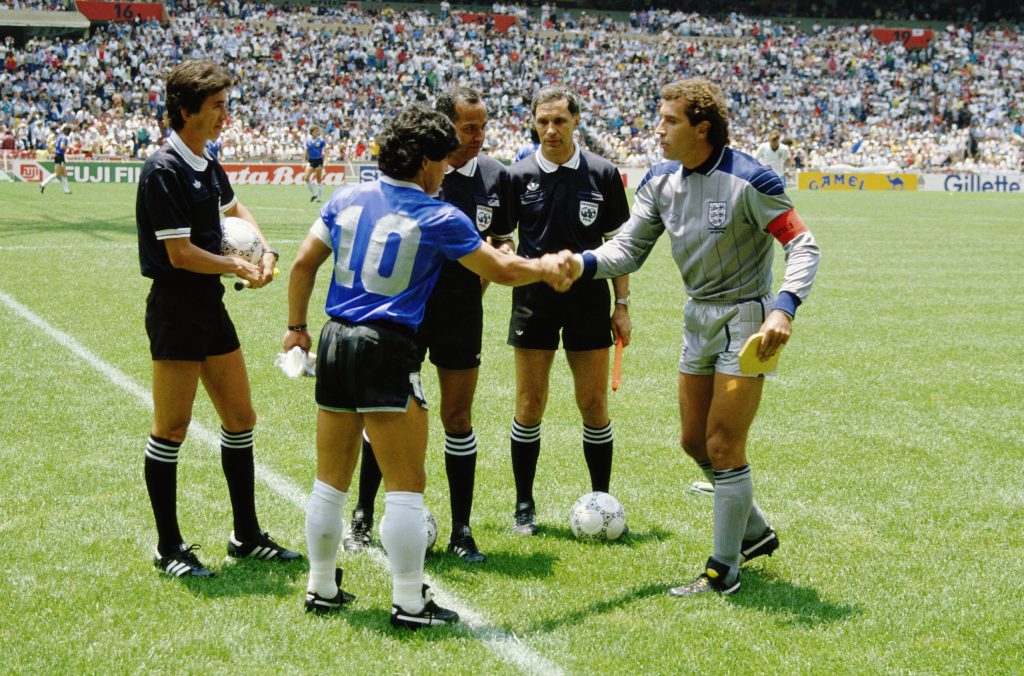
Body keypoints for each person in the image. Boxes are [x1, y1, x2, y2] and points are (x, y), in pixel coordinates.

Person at [284, 103, 572, 628]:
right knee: (407, 483)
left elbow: (303, 263)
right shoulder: (437, 214)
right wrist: (544, 267)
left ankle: (321, 586)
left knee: (330, 480)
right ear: (423, 162)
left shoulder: (347, 198)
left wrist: (295, 326)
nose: (445, 170)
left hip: (331, 339)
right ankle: (410, 603)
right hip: (386, 345)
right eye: (441, 160)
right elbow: (500, 267)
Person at [567, 78, 820, 596]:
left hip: (748, 319)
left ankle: (723, 570)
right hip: (696, 317)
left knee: (724, 443)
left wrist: (784, 309)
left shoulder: (752, 179)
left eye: (670, 122)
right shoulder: (660, 181)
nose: (658, 130)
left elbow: (804, 245)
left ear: (701, 128)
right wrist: (578, 263)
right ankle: (754, 531)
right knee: (693, 440)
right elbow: (627, 251)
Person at [135, 60, 300, 578]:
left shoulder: (207, 161)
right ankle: (168, 547)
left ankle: (245, 535)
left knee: (240, 418)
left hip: (210, 305)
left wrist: (267, 249)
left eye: (226, 105)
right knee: (173, 427)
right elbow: (181, 254)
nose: (226, 115)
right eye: (217, 107)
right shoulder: (164, 168)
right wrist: (237, 264)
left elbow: (238, 210)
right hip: (176, 308)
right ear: (186, 112)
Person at [344, 87, 514, 563]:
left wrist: (486, 277)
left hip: (461, 314)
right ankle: (361, 515)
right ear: (444, 127)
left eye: (484, 126)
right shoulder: (416, 176)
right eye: (469, 128)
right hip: (405, 316)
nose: (479, 137)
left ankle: (462, 530)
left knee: (458, 418)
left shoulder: (498, 177)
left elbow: (501, 243)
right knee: (387, 412)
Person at [505, 85, 631, 535]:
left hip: (589, 298)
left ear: (576, 122)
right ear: (534, 123)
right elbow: (503, 241)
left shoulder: (603, 173)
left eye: (560, 121)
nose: (551, 130)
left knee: (594, 402)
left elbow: (621, 246)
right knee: (530, 402)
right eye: (543, 121)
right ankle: (524, 505)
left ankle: (603, 499)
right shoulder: (516, 176)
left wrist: (624, 306)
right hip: (533, 301)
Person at [39, 125, 72, 195]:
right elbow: (62, 146)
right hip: (60, 156)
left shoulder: (59, 137)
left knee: (64, 172)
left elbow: (54, 144)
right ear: (66, 131)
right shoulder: (64, 138)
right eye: (69, 131)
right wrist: (69, 148)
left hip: (58, 155)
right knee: (58, 173)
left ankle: (66, 190)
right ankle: (43, 184)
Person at [303, 124, 327, 202]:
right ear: (312, 132)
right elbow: (306, 151)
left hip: (319, 160)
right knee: (306, 178)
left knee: (318, 179)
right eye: (316, 131)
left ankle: (319, 197)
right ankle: (314, 194)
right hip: (311, 161)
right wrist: (304, 160)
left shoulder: (321, 140)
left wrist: (325, 160)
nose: (317, 132)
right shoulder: (308, 141)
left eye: (318, 131)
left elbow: (326, 150)